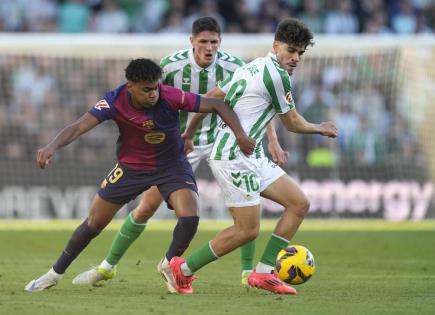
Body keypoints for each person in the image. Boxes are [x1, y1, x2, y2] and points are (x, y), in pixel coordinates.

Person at [72, 16, 288, 291]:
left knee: (248, 199)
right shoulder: (171, 65)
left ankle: (247, 272)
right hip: (182, 143)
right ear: (192, 41)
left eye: (214, 42)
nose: (209, 47)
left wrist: (273, 140)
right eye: (203, 42)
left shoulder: (236, 66)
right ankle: (108, 266)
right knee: (147, 205)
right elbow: (148, 98)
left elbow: (257, 102)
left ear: (220, 42)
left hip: (225, 138)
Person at [24, 58, 255, 292]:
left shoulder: (170, 95)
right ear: (130, 86)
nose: (153, 93)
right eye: (147, 89)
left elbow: (218, 105)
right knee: (94, 222)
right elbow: (77, 127)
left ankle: (169, 265)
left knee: (190, 217)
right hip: (130, 168)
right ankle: (53, 274)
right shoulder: (114, 100)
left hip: (171, 166)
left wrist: (240, 135)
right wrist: (51, 147)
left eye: (155, 87)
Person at [168, 18, 338, 295]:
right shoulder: (276, 76)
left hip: (252, 155)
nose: (295, 58)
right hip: (233, 157)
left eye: (300, 53)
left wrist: (189, 132)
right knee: (246, 230)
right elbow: (292, 123)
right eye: (291, 50)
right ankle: (182, 270)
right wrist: (321, 128)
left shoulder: (254, 65)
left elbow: (213, 96)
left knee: (298, 203)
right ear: (276, 46)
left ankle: (262, 272)